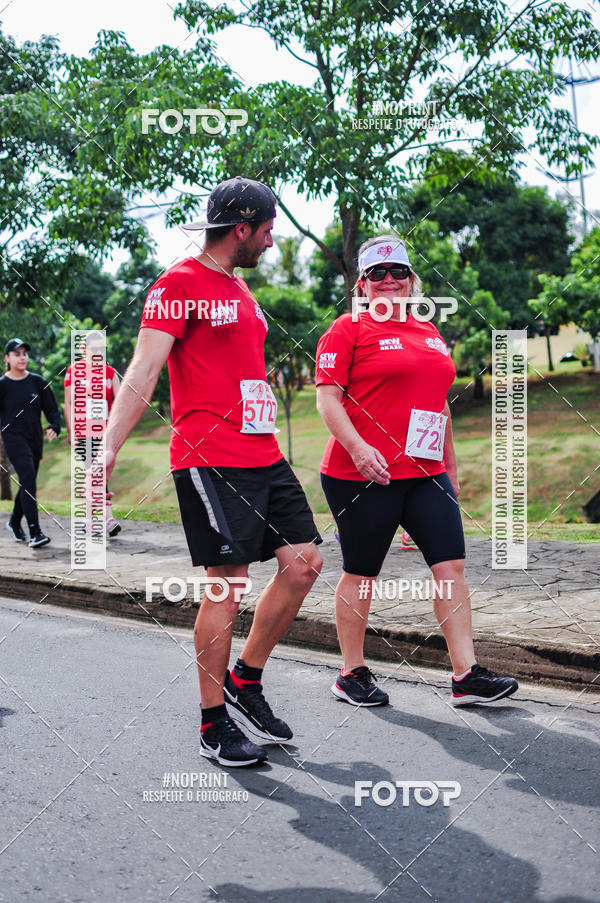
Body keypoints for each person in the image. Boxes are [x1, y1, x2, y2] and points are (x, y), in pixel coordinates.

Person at [104, 176, 323, 766]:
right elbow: (144, 369)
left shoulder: (239, 290)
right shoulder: (177, 284)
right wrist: (107, 450)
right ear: (243, 228)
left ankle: (245, 679)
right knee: (225, 586)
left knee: (304, 564)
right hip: (209, 456)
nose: (274, 243)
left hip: (263, 453)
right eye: (269, 230)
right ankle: (212, 722)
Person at [315, 235, 518, 707]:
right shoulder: (347, 329)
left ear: (411, 281)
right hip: (363, 472)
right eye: (377, 274)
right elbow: (327, 399)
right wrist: (359, 447)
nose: (389, 281)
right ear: (362, 285)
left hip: (426, 474)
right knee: (361, 572)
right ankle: (350, 672)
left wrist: (450, 464)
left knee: (451, 567)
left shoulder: (428, 331)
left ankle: (465, 675)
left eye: (398, 272)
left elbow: (437, 404)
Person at [0, 337, 61, 547]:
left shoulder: (38, 382)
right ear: (7, 358)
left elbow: (52, 409)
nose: (22, 357)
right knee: (27, 478)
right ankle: (35, 532)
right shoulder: (2, 386)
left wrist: (54, 426)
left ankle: (14, 522)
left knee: (27, 482)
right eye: (17, 354)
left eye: (24, 353)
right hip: (13, 438)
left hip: (35, 438)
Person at [64, 332, 122, 537]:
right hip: (83, 432)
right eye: (94, 349)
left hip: (105, 434)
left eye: (101, 349)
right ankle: (104, 519)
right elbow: (69, 404)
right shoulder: (74, 371)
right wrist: (72, 431)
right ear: (84, 350)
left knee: (97, 474)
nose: (98, 353)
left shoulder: (110, 373)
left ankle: (92, 520)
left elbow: (121, 403)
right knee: (95, 473)